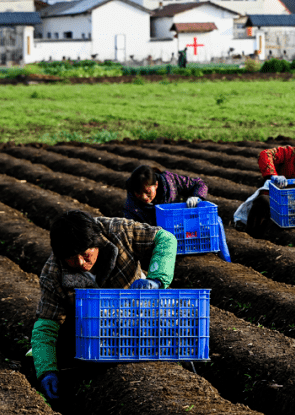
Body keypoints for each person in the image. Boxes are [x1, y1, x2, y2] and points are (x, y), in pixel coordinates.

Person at [31, 210, 177, 400]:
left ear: (96, 243)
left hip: (135, 313)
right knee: (60, 349)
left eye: (85, 254)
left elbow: (165, 238)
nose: (80, 263)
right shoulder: (53, 273)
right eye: (72, 259)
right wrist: (46, 371)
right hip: (92, 330)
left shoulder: (119, 232)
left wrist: (156, 279)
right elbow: (46, 325)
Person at [123, 165, 209, 225]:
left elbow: (199, 183)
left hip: (180, 224)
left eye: (147, 192)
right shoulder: (132, 207)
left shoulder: (170, 182)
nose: (144, 197)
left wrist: (197, 197)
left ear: (156, 185)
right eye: (138, 193)